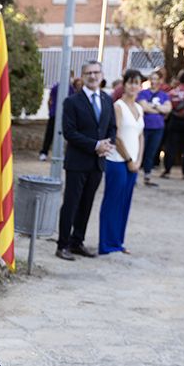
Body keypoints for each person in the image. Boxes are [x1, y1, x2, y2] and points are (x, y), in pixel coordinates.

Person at [55, 60, 116, 261]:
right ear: (82, 76)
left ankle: (77, 241)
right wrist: (95, 145)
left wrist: (107, 144)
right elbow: (69, 132)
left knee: (87, 203)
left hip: (97, 163)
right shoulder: (72, 102)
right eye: (88, 73)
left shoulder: (107, 100)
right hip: (77, 162)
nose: (93, 76)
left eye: (96, 72)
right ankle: (63, 244)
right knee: (71, 204)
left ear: (102, 75)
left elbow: (112, 127)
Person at [99, 70, 144, 255]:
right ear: (124, 85)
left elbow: (141, 135)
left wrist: (138, 160)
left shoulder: (139, 108)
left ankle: (118, 242)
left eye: (137, 83)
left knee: (124, 203)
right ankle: (106, 244)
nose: (133, 86)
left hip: (133, 163)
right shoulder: (118, 106)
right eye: (130, 82)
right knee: (113, 202)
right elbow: (116, 136)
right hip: (117, 160)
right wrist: (129, 159)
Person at [161, 70, 184, 180]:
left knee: (171, 146)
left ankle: (167, 170)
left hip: (175, 120)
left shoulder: (173, 93)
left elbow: (169, 106)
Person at [137, 70, 170, 186]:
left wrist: (153, 106)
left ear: (160, 81)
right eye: (152, 79)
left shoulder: (164, 95)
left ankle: (147, 175)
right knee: (140, 150)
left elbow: (168, 109)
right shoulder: (143, 93)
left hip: (158, 128)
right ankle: (134, 174)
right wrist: (159, 109)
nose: (153, 81)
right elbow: (144, 107)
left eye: (156, 79)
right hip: (144, 126)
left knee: (151, 152)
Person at [39, 72, 78, 161]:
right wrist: (51, 111)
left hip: (63, 114)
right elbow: (50, 100)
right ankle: (44, 152)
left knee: (58, 134)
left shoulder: (69, 88)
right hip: (56, 114)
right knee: (50, 134)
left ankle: (49, 153)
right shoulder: (58, 87)